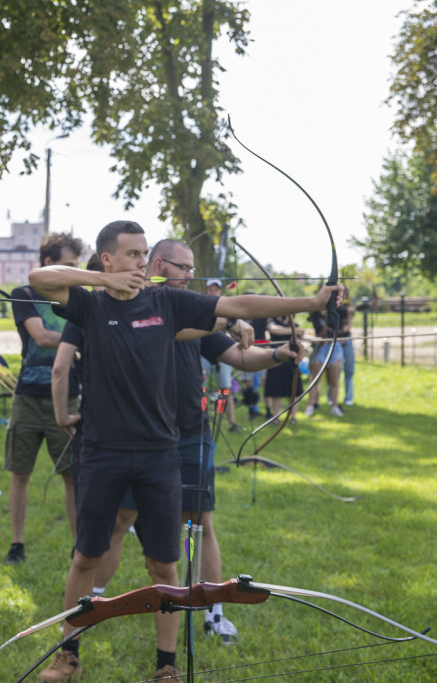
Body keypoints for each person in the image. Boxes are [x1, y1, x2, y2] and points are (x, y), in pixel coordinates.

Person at [29, 220, 341, 682]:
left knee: (164, 563)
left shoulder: (168, 302)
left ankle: (166, 666)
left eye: (143, 254)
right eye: (131, 254)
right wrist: (102, 280)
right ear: (109, 258)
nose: (140, 262)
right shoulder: (88, 307)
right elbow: (40, 280)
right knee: (86, 556)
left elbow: (237, 304)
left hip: (159, 453)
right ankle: (67, 654)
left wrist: (310, 302)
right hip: (101, 451)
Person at [73, 239, 304, 655]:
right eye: (184, 268)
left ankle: (213, 611)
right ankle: (94, 603)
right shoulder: (140, 306)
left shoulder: (191, 309)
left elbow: (241, 357)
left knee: (199, 524)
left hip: (188, 434)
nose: (191, 275)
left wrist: (280, 354)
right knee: (119, 523)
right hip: (134, 437)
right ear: (159, 264)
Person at [3, 233, 83, 565]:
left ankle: (80, 546)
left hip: (68, 396)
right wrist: (82, 341)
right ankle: (17, 544)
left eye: (76, 267)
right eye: (67, 265)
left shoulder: (78, 299)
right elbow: (41, 335)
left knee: (72, 476)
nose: (73, 273)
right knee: (20, 474)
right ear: (48, 263)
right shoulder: (23, 294)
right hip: (28, 397)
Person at [201, 279, 239, 432]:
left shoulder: (226, 308)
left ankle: (230, 422)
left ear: (220, 292)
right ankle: (202, 418)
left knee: (224, 389)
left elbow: (233, 326)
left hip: (222, 351)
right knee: (200, 388)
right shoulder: (200, 306)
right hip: (203, 350)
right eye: (210, 289)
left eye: (215, 290)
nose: (212, 292)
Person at [305, 303, 348, 417]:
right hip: (320, 347)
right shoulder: (315, 314)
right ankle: (310, 405)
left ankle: (335, 406)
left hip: (334, 347)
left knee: (334, 380)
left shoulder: (335, 313)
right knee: (315, 379)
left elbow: (342, 327)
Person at [263, 315, 304, 421]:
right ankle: (275, 417)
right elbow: (274, 330)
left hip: (291, 361)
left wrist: (297, 331)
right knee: (276, 391)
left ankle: (293, 417)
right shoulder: (272, 321)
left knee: (293, 391)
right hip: (275, 361)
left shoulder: (294, 325)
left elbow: (302, 335)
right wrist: (294, 331)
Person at [338, 300, 355, 406]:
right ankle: (331, 397)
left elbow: (348, 325)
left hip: (346, 338)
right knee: (335, 371)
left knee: (349, 370)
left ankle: (348, 397)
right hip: (335, 339)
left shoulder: (347, 308)